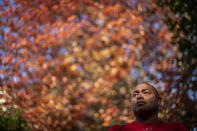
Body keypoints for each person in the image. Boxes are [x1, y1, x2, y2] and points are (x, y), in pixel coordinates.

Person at [109, 82, 188, 131]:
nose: (139, 96)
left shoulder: (176, 128)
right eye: (135, 95)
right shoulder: (117, 130)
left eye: (146, 92)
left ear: (158, 101)